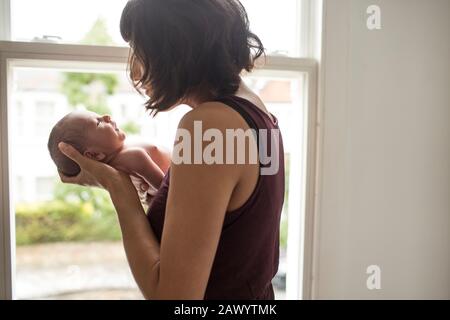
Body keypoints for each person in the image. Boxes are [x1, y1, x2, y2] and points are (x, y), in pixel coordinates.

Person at [57, 0, 285, 299]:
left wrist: (117, 187)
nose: (136, 72)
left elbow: (173, 298)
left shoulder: (208, 125)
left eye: (140, 51)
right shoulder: (252, 108)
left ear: (175, 50)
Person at [48, 110, 170, 197]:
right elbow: (168, 191)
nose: (107, 117)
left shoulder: (119, 153)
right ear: (95, 155)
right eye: (98, 122)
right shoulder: (132, 157)